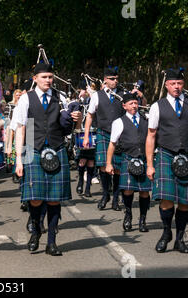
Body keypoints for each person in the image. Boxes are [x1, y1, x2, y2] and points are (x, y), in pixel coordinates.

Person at [13, 63, 82, 256]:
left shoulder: (60, 98)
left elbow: (70, 127)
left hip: (56, 148)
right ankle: (35, 231)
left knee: (53, 200)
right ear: (35, 78)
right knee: (35, 199)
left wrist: (76, 118)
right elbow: (21, 129)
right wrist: (18, 159)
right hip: (33, 149)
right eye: (44, 77)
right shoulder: (26, 99)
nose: (48, 80)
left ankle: (51, 242)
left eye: (50, 77)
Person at [146, 67, 188, 254]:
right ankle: (165, 233)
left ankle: (179, 239)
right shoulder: (157, 106)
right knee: (167, 200)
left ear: (183, 84)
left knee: (184, 202)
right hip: (166, 154)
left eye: (179, 83)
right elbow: (151, 136)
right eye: (173, 84)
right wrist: (149, 164)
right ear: (166, 85)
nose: (176, 87)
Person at [106, 92, 151, 232]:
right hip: (128, 158)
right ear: (124, 106)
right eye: (131, 103)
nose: (134, 106)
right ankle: (128, 215)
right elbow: (112, 144)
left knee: (144, 192)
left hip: (143, 159)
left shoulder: (146, 119)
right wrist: (108, 163)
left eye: (136, 103)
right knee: (128, 190)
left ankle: (143, 220)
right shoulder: (118, 122)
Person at [84, 66, 125, 211]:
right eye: (112, 79)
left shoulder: (122, 95)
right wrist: (87, 135)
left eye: (116, 79)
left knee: (118, 168)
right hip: (103, 133)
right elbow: (90, 115)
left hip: (120, 135)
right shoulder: (97, 95)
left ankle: (115, 198)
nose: (115, 81)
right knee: (103, 166)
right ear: (105, 80)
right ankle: (105, 194)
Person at [74, 81, 96, 197]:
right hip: (82, 131)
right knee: (82, 160)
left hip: (93, 131)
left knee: (91, 161)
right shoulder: (79, 101)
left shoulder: (94, 98)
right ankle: (80, 182)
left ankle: (88, 188)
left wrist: (91, 94)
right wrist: (80, 97)